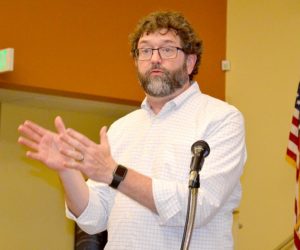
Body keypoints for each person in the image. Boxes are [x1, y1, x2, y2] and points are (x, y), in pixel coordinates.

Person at [18, 11, 246, 250]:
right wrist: (67, 170)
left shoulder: (221, 118)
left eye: (167, 49)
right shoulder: (122, 128)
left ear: (190, 62)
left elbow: (197, 209)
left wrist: (115, 174)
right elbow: (93, 219)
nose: (155, 59)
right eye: (145, 50)